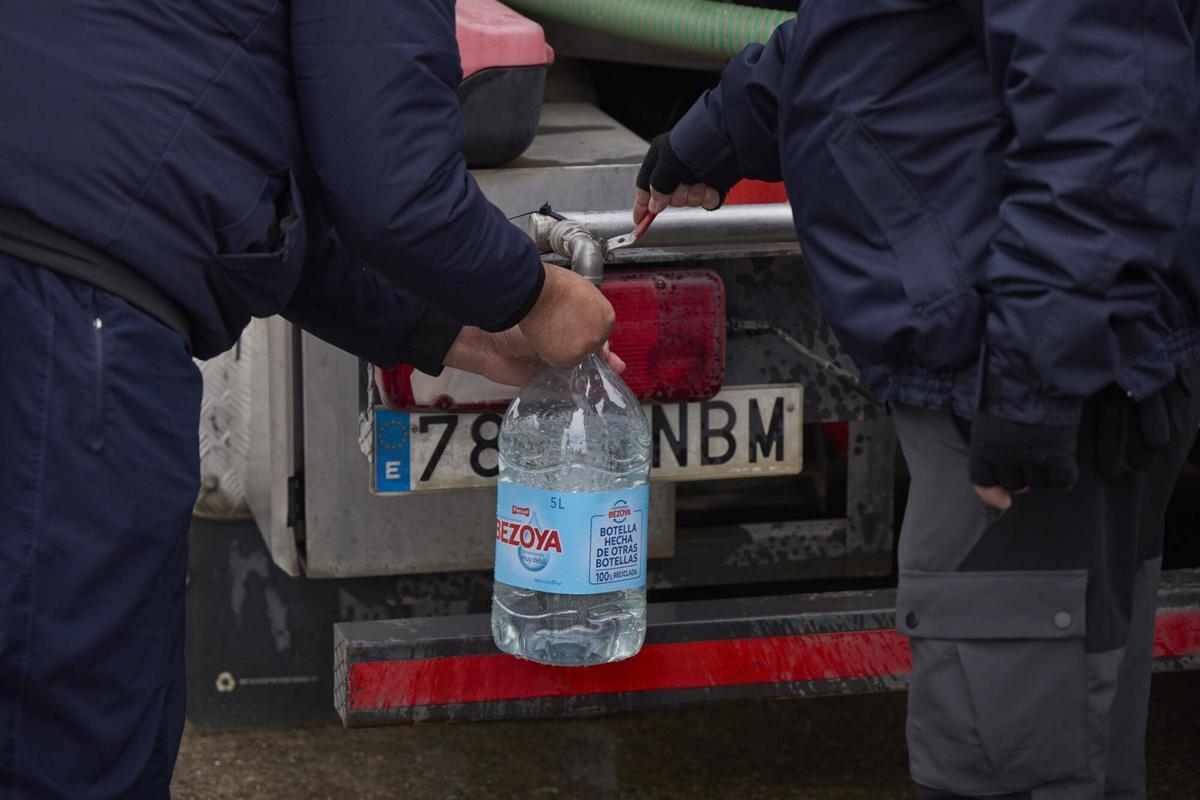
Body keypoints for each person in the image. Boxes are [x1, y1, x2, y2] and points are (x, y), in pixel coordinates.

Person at [0, 1, 619, 797]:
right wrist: (533, 294)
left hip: (43, 253)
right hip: (58, 307)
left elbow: (262, 190)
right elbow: (392, 184)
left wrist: (454, 330)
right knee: (65, 742)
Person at [636, 1, 1200, 797]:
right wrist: (716, 135)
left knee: (1008, 757)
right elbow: (862, 25)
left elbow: (1105, 115)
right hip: (1006, 352)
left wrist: (1034, 377)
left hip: (1020, 374)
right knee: (1054, 732)